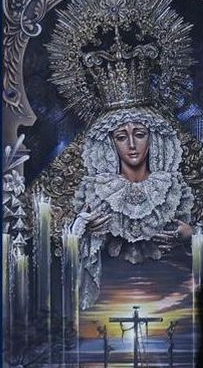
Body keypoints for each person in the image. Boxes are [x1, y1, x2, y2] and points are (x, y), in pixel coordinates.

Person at [65, 105, 195, 308]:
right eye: (121, 137)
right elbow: (69, 246)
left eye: (140, 134)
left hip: (171, 296)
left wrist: (191, 236)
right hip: (109, 300)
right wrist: (82, 229)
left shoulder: (174, 189)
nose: (132, 145)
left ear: (154, 139)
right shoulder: (96, 191)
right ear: (110, 143)